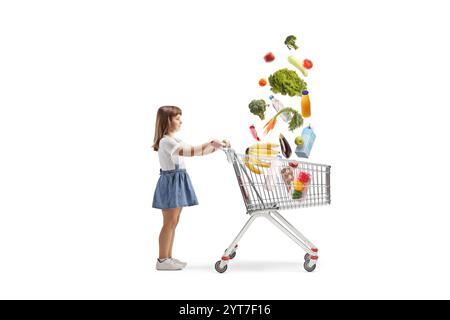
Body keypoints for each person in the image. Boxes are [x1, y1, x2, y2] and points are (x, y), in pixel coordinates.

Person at [152, 106, 230, 271]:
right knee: (169, 222)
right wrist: (210, 143)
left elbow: (198, 151)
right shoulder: (165, 141)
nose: (181, 121)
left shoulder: (175, 139)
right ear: (167, 120)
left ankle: (168, 258)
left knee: (174, 221)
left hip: (178, 180)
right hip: (171, 182)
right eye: (177, 118)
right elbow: (191, 152)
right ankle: (162, 260)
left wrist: (218, 146)